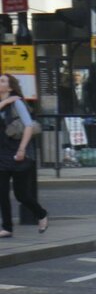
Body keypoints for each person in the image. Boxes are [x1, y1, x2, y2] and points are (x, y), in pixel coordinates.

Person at [0, 74, 49, 238]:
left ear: (10, 87)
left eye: (2, 81)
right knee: (2, 192)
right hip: (2, 154)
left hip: (18, 153)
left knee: (21, 195)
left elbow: (29, 126)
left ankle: (41, 213)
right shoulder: (5, 103)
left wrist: (21, 150)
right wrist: (4, 102)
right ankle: (7, 227)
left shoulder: (18, 103)